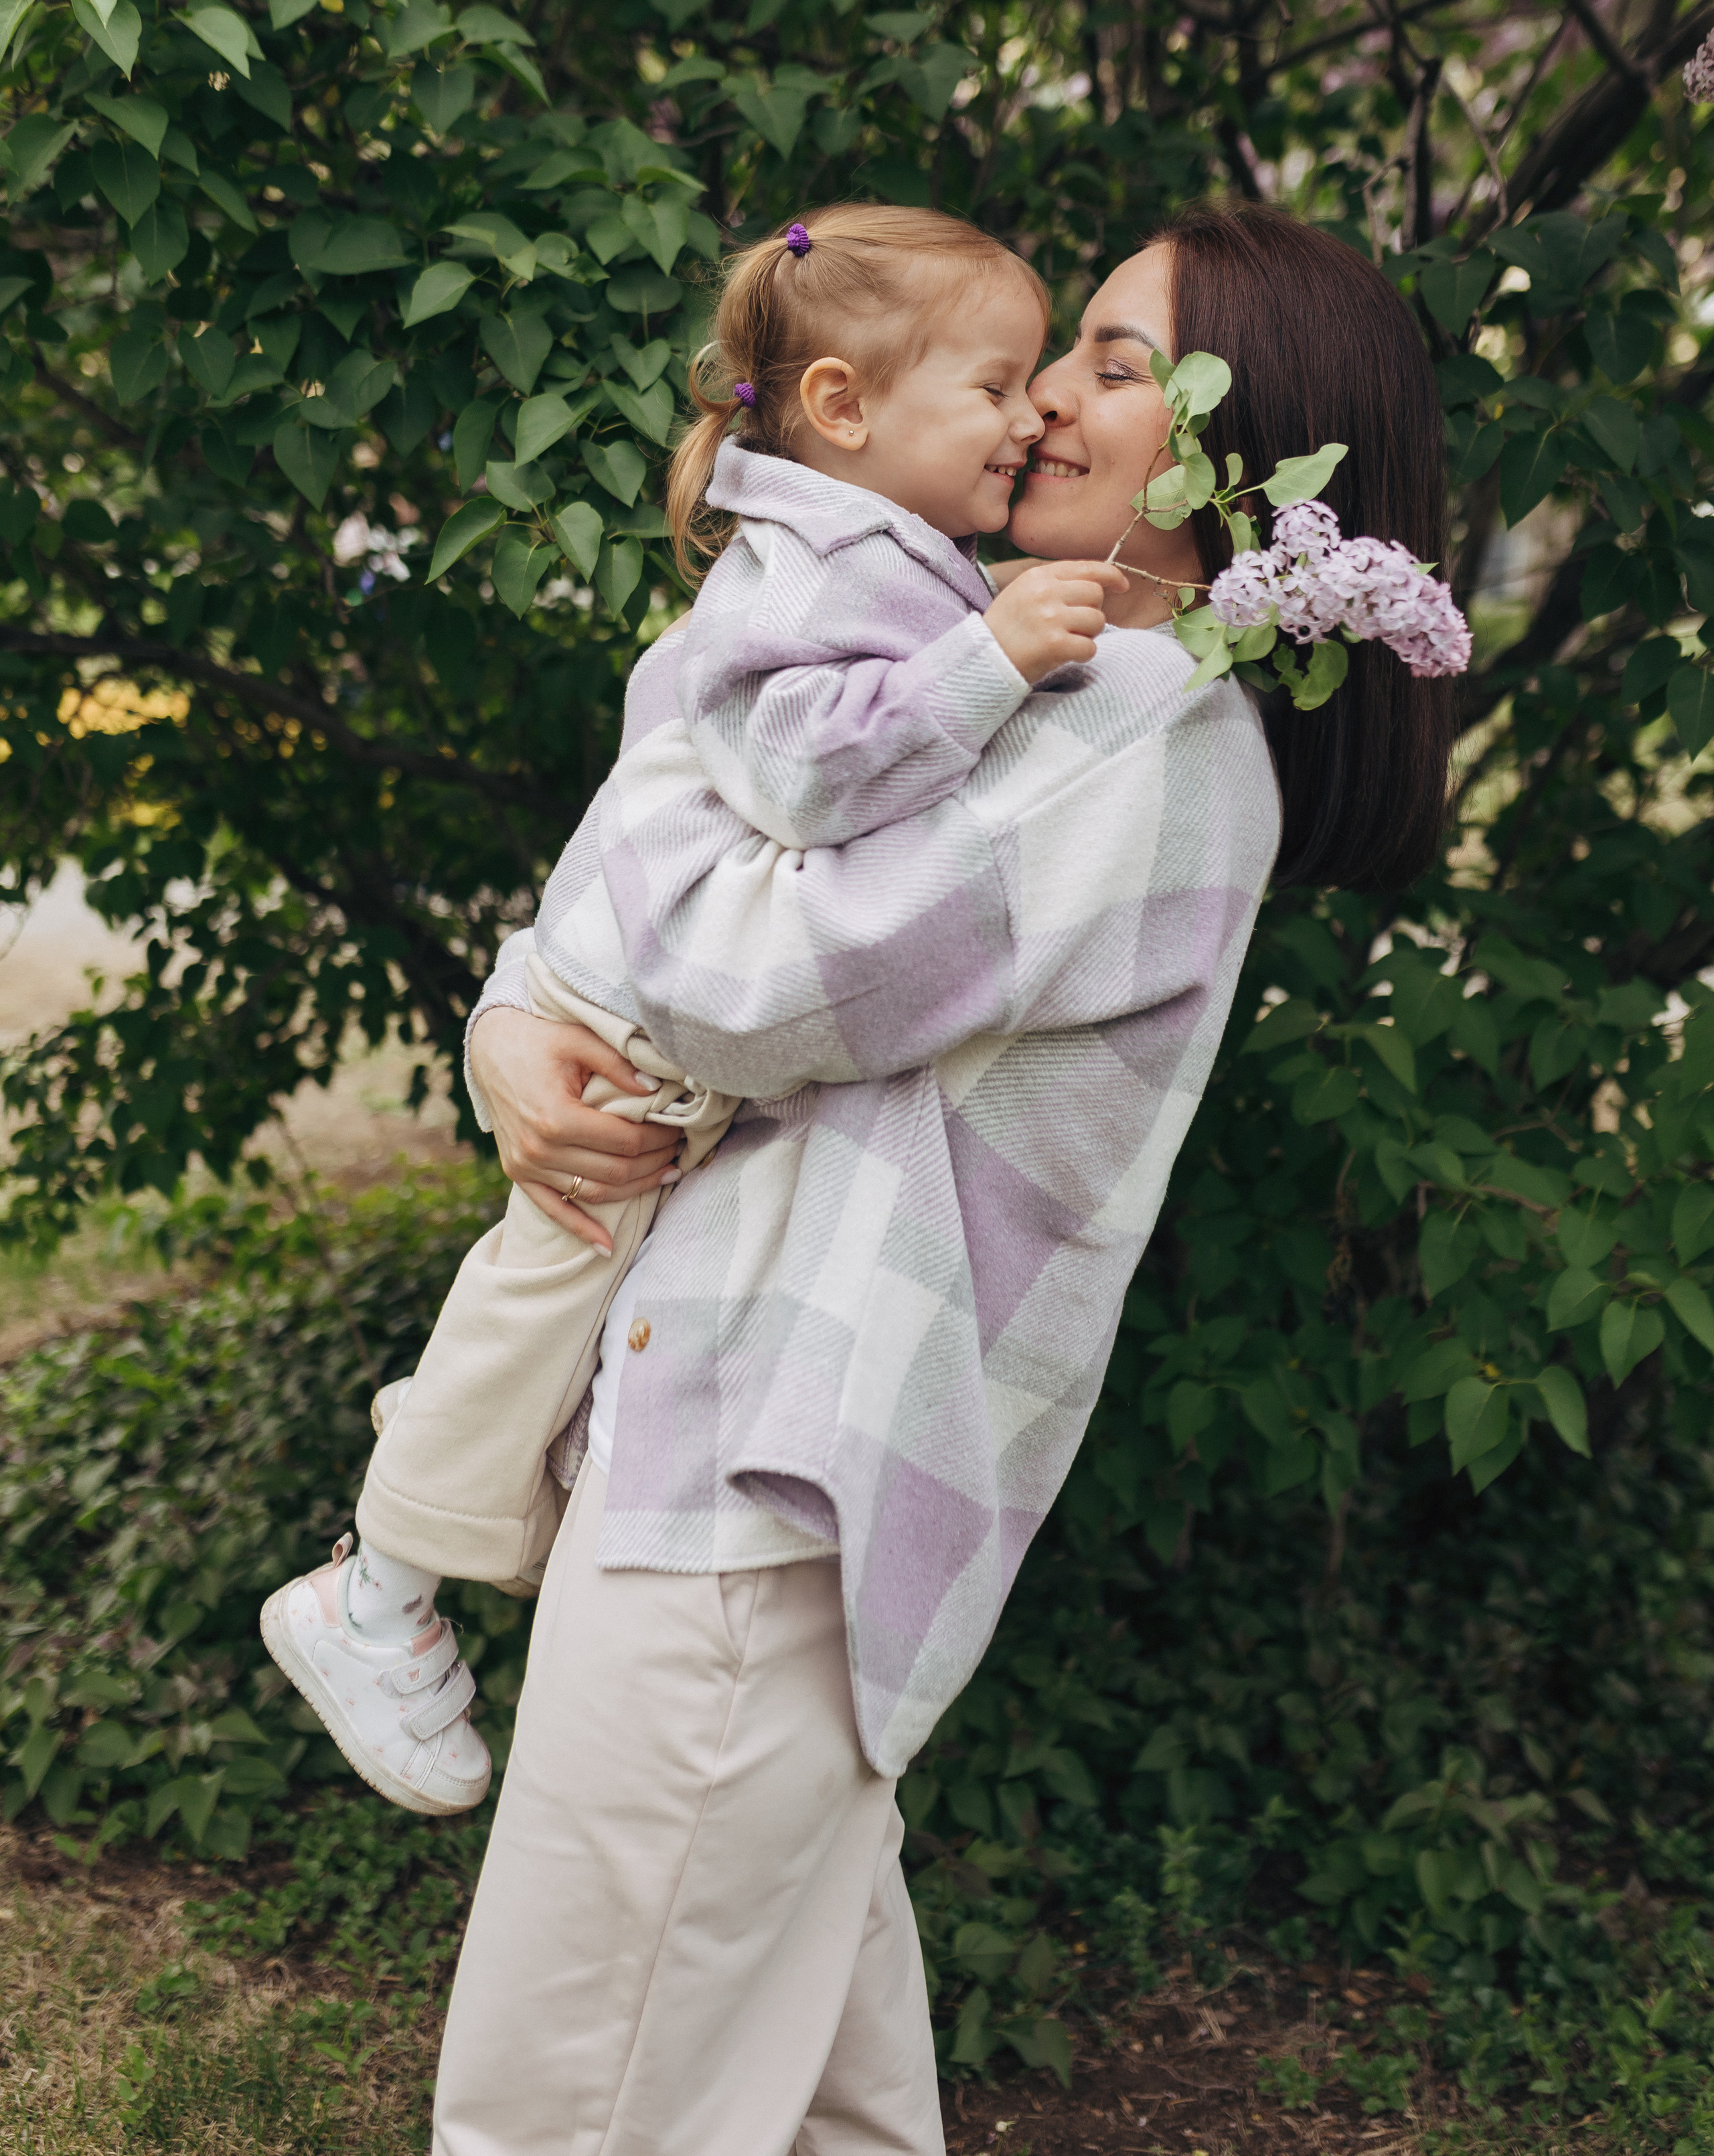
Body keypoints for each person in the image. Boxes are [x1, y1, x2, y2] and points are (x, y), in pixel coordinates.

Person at [431, 203, 1459, 2156]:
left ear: (1256, 445)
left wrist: (531, 999)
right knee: (824, 2115)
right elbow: (697, 836)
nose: (1049, 400)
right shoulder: (1009, 688)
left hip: (763, 1486)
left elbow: (740, 982)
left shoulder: (1140, 732)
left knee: (571, 2113)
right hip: (758, 1468)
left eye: (1121, 362)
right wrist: (517, 1016)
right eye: (1062, 350)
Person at [259, 206, 1131, 1817]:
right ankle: (372, 1588)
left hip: (635, 983)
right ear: (843, 410)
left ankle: (410, 1524)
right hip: (644, 1005)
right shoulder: (824, 568)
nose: (1033, 417)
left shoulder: (866, 551)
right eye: (999, 383)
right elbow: (794, 772)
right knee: (548, 1276)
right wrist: (984, 666)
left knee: (557, 1287)